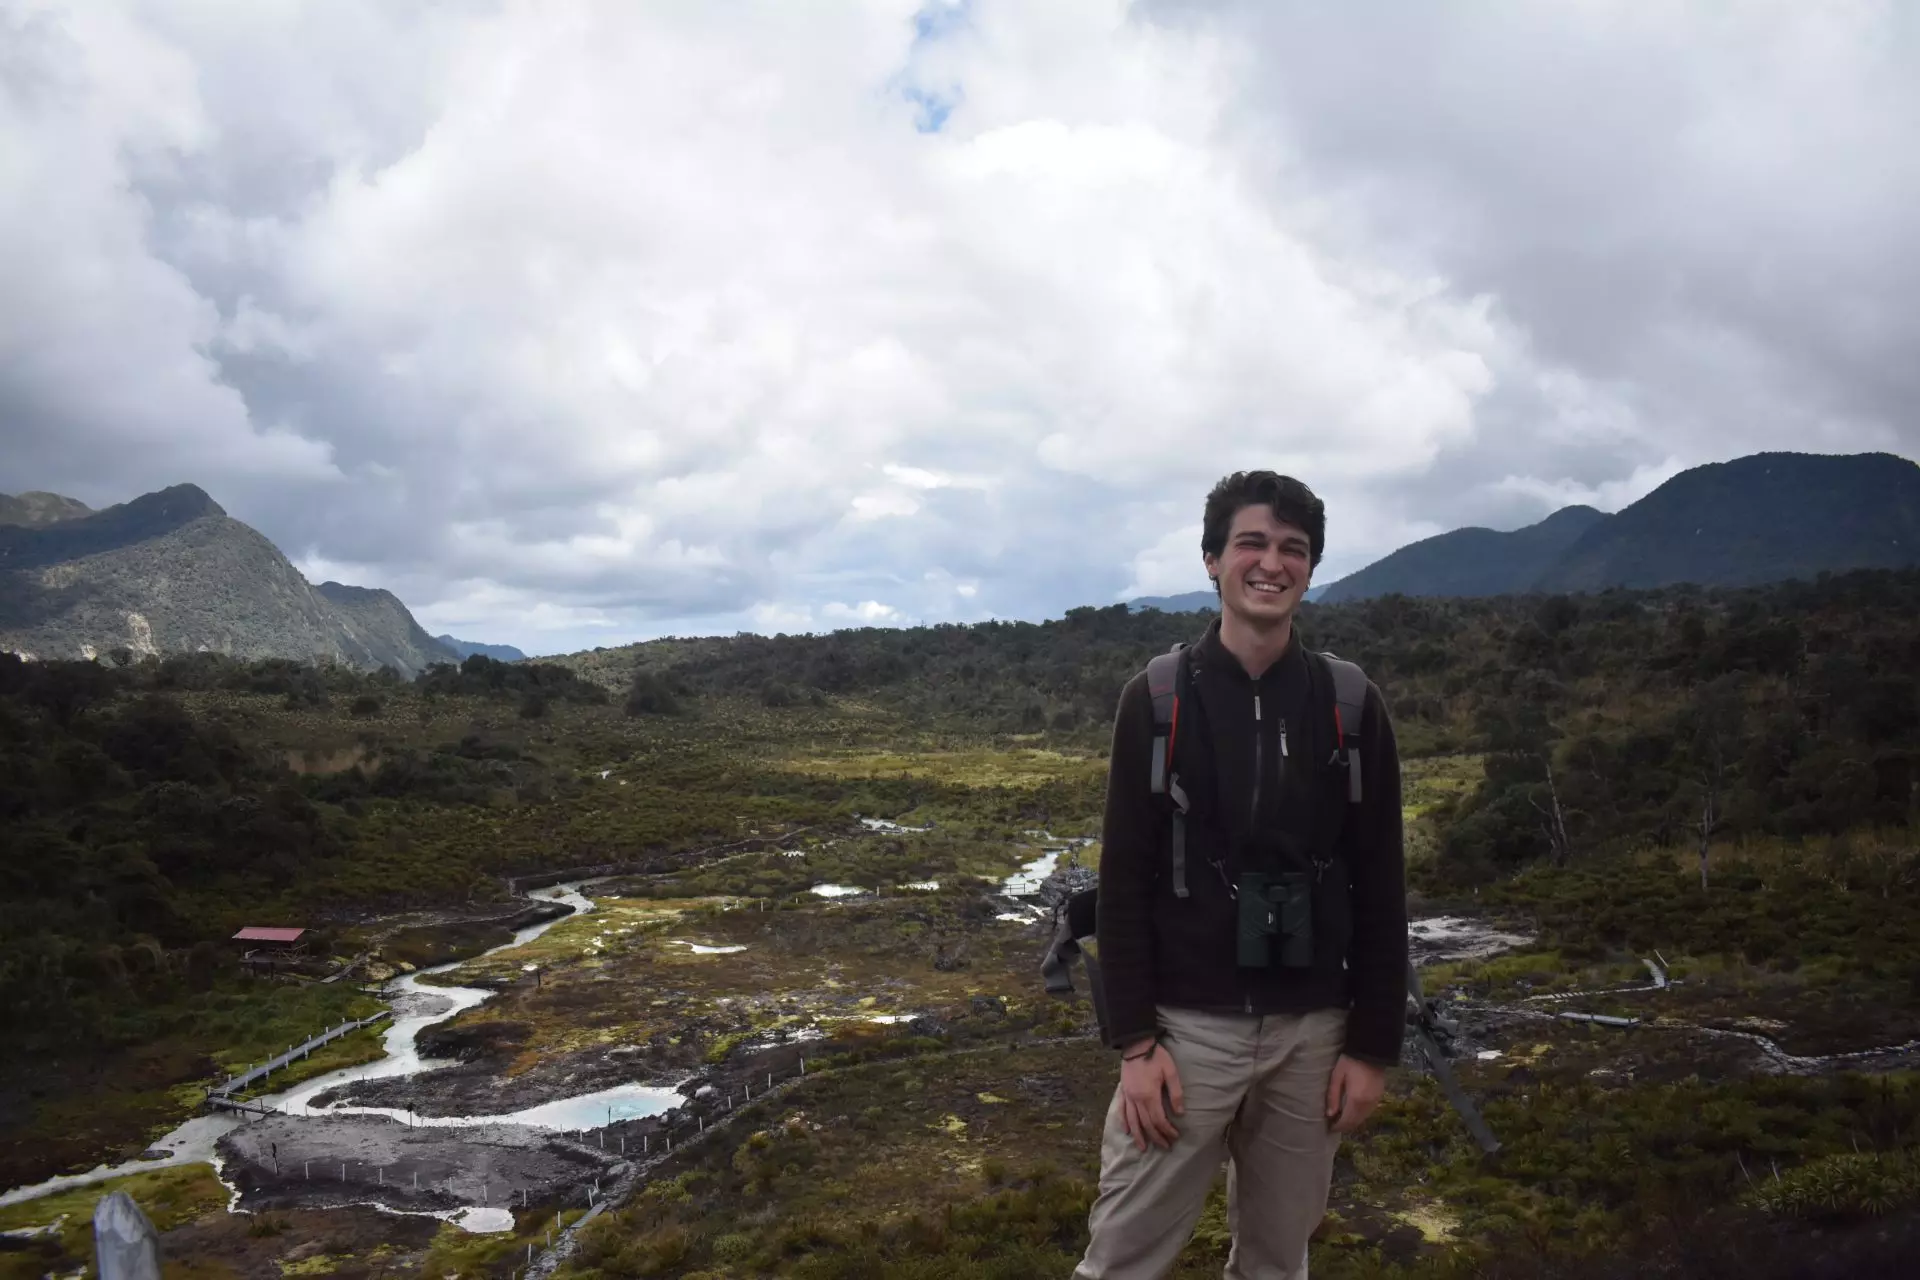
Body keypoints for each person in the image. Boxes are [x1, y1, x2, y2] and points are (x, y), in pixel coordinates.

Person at [1074, 471, 1409, 1279]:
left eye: (1293, 549)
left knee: (1277, 1262)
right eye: (1251, 543)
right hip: (1187, 1037)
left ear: (1311, 568)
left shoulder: (1351, 704)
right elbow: (1122, 882)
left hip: (1313, 1037)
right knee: (1123, 1260)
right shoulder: (1156, 700)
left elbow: (1381, 885)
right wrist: (1134, 1043)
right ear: (1212, 560)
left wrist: (1371, 1047)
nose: (1271, 563)